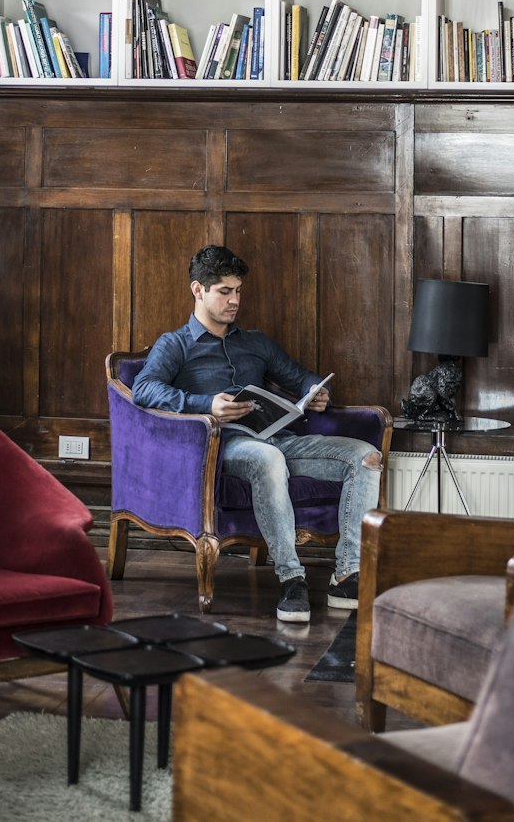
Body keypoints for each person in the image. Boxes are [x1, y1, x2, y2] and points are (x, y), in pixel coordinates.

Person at [131, 244, 383, 624]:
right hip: (225, 447)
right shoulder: (175, 344)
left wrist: (316, 393)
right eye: (225, 292)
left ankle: (347, 574)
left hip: (279, 439)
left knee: (365, 456)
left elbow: (301, 378)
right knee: (269, 458)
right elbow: (144, 389)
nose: (235, 301)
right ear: (198, 290)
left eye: (238, 291)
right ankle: (291, 578)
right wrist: (206, 404)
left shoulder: (256, 343)